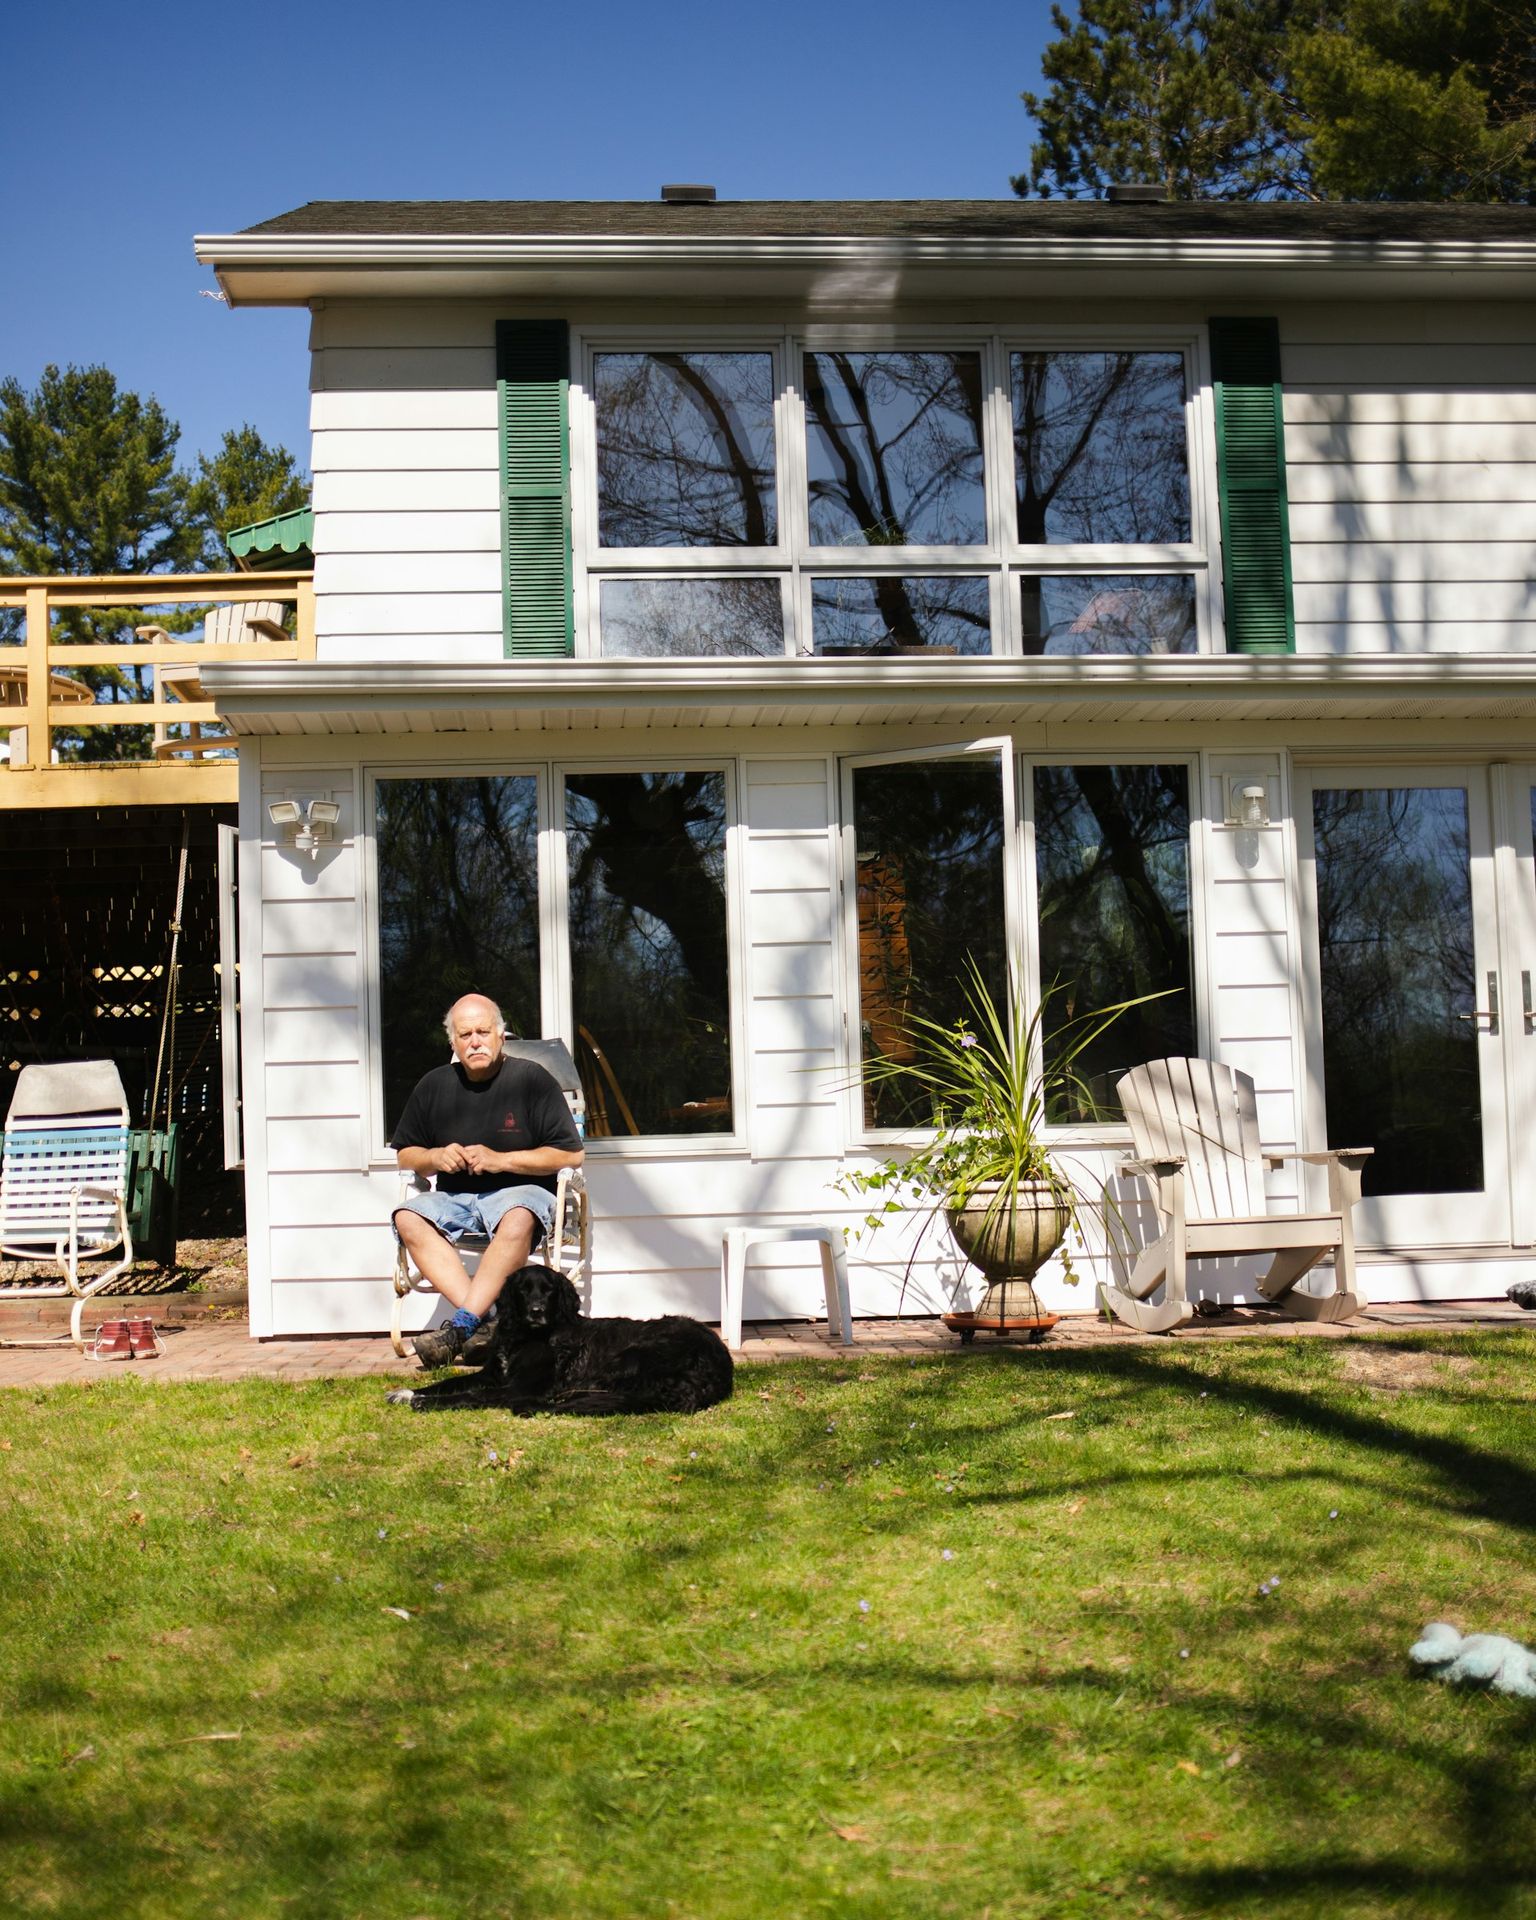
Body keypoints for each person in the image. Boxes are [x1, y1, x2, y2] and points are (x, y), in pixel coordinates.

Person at [392, 993, 584, 1367]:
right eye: (465, 1035)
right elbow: (406, 1155)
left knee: (517, 1215)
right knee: (407, 1216)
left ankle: (461, 1325)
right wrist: (434, 1156)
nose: (475, 1041)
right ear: (454, 1043)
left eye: (483, 1031)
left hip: (520, 1195)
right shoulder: (433, 1086)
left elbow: (570, 1154)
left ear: (500, 1035)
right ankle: (484, 1321)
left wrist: (501, 1160)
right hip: (455, 1199)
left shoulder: (532, 1081)